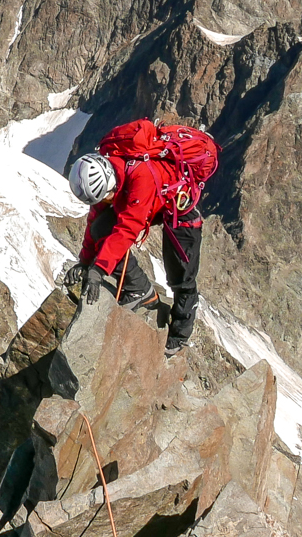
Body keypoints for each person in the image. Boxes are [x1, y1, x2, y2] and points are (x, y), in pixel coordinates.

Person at [64, 119, 211, 358]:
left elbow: (127, 230)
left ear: (111, 186)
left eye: (107, 197)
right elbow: (95, 221)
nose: (106, 202)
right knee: (101, 229)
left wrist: (98, 270)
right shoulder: (108, 166)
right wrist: (85, 260)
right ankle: (139, 290)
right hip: (149, 198)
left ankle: (179, 336)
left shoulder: (141, 177)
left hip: (178, 204)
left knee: (182, 277)